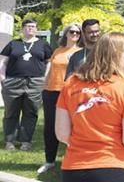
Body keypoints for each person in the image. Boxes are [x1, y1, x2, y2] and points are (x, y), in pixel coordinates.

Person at [56, 32, 124, 182]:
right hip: (114, 167)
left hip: (74, 168)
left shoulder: (70, 83)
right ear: (115, 55)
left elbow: (62, 134)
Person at [0, 18, 53, 151]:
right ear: (23, 29)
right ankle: (9, 141)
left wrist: (45, 78)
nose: (30, 29)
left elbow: (50, 62)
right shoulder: (14, 44)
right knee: (11, 112)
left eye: (33, 26)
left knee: (31, 112)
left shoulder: (43, 44)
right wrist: (3, 78)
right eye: (28, 26)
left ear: (36, 29)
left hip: (35, 82)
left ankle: (25, 141)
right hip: (13, 82)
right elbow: (3, 62)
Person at [37, 23, 83, 174]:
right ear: (66, 34)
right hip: (51, 92)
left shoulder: (82, 52)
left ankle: (74, 160)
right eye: (72, 31)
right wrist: (43, 87)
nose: (75, 34)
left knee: (74, 127)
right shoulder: (57, 50)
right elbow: (49, 70)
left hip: (70, 93)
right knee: (50, 127)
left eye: (78, 32)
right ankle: (49, 161)